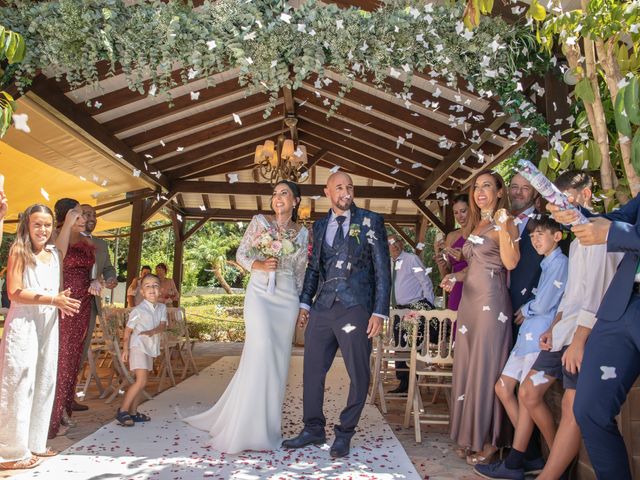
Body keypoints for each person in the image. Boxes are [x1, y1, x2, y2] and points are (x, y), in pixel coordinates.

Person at [479, 171, 623, 479]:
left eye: (566, 200)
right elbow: (570, 298)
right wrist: (554, 330)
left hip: (583, 337)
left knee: (569, 406)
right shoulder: (577, 245)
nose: (559, 208)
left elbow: (596, 296)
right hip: (559, 333)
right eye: (556, 203)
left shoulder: (599, 235)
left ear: (586, 194)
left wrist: (578, 340)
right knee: (531, 394)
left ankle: (546, 466)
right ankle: (535, 460)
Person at [184, 180, 309, 453]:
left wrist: (302, 306)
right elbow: (241, 254)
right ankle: (244, 426)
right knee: (260, 348)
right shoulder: (259, 222)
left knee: (277, 361)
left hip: (287, 296)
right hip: (261, 292)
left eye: (284, 193)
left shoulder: (302, 233)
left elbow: (301, 271)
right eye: (275, 194)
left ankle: (266, 428)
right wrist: (260, 264)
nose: (278, 198)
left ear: (296, 201)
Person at [282, 172, 390, 459]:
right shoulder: (318, 227)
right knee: (312, 370)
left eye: (350, 187)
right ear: (327, 192)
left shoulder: (371, 220)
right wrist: (305, 305)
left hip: (356, 307)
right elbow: (314, 270)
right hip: (323, 307)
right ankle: (313, 429)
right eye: (339, 187)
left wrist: (379, 311)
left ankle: (345, 433)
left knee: (358, 373)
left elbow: (382, 270)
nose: (346, 192)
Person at [548, 181, 640, 480]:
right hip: (623, 305)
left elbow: (619, 231)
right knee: (588, 410)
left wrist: (617, 234)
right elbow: (620, 219)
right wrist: (575, 214)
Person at [476, 215, 568, 479]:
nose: (536, 239)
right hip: (526, 335)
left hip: (540, 334)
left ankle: (547, 459)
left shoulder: (560, 263)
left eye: (541, 234)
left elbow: (545, 303)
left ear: (557, 236)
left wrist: (526, 308)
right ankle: (527, 455)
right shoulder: (546, 263)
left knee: (528, 399)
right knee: (503, 387)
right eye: (532, 235)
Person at [440, 170, 519, 465]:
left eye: (487, 186)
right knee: (469, 366)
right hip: (470, 303)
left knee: (486, 368)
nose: (480, 191)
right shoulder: (478, 223)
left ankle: (490, 440)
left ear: (499, 192)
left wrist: (503, 229)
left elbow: (510, 261)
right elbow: (472, 265)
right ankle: (470, 435)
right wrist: (453, 278)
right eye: (476, 187)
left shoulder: (504, 221)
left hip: (492, 303)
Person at [0, 204, 81, 470]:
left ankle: (34, 442)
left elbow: (63, 244)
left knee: (44, 380)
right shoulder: (19, 250)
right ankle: (10, 452)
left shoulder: (53, 254)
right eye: (37, 224)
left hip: (48, 322)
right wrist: (53, 299)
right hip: (24, 322)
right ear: (27, 224)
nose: (43, 230)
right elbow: (13, 292)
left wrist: (69, 221)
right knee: (18, 385)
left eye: (47, 225)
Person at [48, 198, 96, 439]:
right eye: (80, 214)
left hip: (83, 304)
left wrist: (96, 282)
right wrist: (67, 227)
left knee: (74, 358)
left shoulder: (87, 240)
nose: (85, 219)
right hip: (63, 304)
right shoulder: (54, 235)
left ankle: (65, 408)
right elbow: (58, 257)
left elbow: (90, 271)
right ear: (68, 216)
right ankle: (52, 417)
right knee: (62, 359)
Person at [73, 204, 118, 412]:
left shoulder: (101, 244)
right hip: (72, 301)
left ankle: (70, 396)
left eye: (94, 215)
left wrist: (110, 278)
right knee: (67, 348)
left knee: (81, 351)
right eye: (87, 214)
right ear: (78, 216)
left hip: (92, 304)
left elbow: (108, 267)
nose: (92, 218)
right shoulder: (70, 238)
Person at [116, 273, 167, 426]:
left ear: (161, 290)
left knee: (142, 382)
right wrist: (125, 349)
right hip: (137, 346)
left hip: (149, 347)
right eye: (148, 286)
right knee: (141, 380)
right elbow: (127, 331)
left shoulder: (162, 307)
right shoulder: (138, 310)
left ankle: (133, 412)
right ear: (142, 292)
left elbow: (163, 325)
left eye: (155, 285)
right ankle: (123, 411)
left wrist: (152, 332)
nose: (152, 288)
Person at [388, 234, 435, 393]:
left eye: (396, 241)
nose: (393, 245)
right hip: (397, 310)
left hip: (414, 308)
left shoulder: (411, 259)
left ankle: (413, 383)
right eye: (390, 243)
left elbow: (425, 281)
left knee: (413, 346)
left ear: (401, 243)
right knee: (399, 346)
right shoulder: (389, 263)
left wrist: (428, 306)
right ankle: (402, 383)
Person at [434, 194, 469, 310]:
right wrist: (441, 264)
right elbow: (446, 274)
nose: (460, 216)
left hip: (475, 286)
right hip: (456, 289)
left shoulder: (480, 233)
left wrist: (464, 258)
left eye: (463, 211)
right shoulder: (451, 236)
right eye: (456, 213)